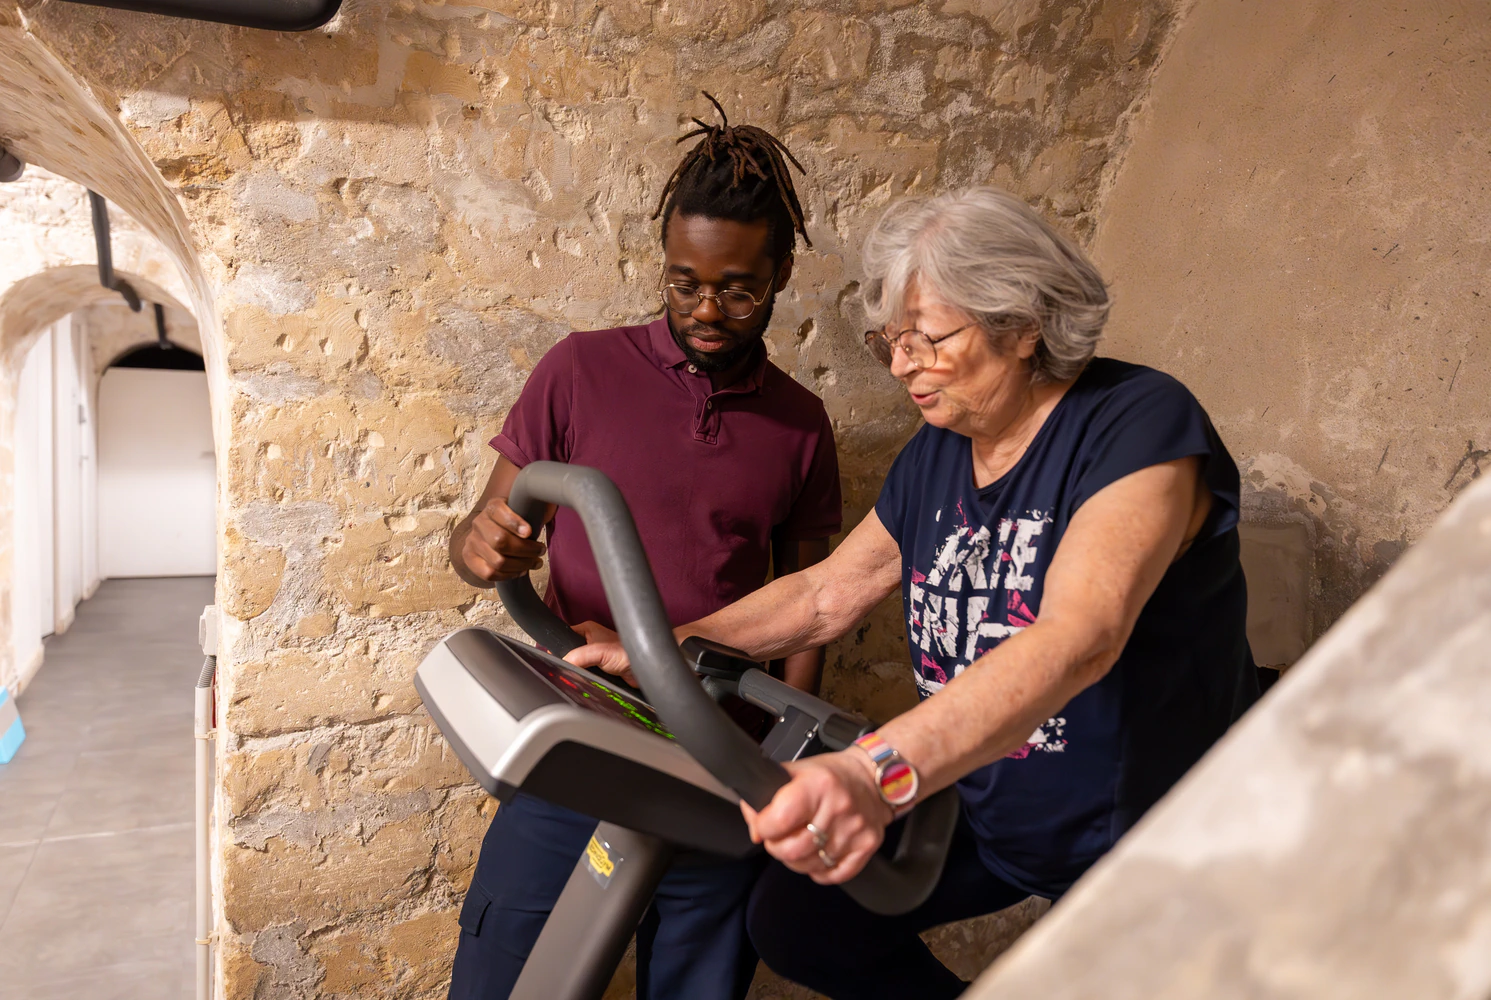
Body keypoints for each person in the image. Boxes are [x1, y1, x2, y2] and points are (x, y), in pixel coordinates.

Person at [568, 186, 1261, 999]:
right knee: (801, 918)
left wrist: (874, 774)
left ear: (1022, 325)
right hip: (997, 807)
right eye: (889, 341)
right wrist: (666, 645)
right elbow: (826, 594)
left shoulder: (1135, 423)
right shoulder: (938, 450)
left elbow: (1082, 634)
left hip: (1148, 831)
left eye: (926, 338)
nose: (901, 365)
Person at [444, 96, 842, 1000]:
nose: (706, 308)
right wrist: (481, 546)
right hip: (578, 731)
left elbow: (813, 598)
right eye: (683, 282)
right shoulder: (578, 371)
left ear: (778, 275)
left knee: (698, 983)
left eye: (737, 287)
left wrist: (781, 761)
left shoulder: (800, 424)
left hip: (720, 753)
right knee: (504, 972)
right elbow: (481, 534)